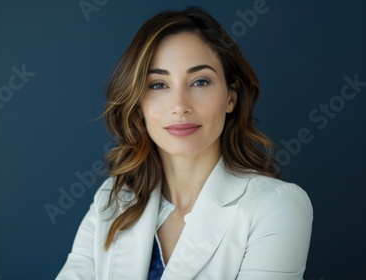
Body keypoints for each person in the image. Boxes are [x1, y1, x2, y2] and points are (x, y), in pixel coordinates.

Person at [57, 6, 313, 280]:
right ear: (138, 104)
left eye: (200, 82)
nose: (180, 106)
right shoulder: (112, 199)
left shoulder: (276, 206)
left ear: (231, 98)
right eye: (158, 85)